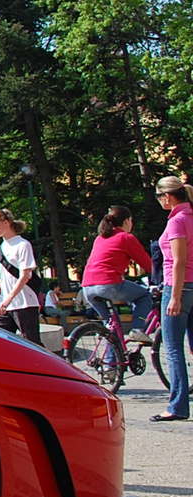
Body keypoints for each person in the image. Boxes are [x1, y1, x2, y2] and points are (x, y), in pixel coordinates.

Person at [79, 205, 154, 339]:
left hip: (87, 288)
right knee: (144, 296)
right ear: (127, 221)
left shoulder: (100, 238)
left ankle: (112, 360)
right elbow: (148, 264)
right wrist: (163, 277)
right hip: (108, 284)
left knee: (113, 328)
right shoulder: (126, 238)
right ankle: (138, 328)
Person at [152, 176, 192, 422]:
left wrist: (174, 297)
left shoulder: (177, 221)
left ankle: (177, 406)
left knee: (174, 349)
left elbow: (178, 261)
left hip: (178, 288)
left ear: (168, 197)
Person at [0, 208, 42, 345]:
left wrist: (8, 299)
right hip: (8, 305)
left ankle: (51, 365)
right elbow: (6, 280)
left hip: (25, 303)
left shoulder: (22, 245)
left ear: (6, 223)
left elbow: (24, 276)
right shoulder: (1, 248)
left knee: (33, 345)